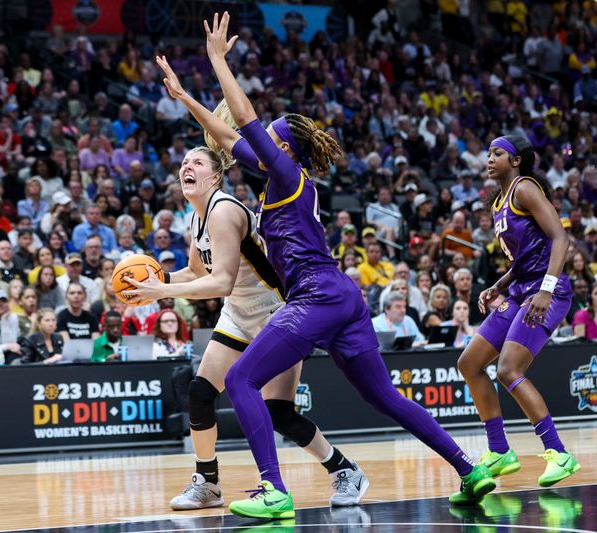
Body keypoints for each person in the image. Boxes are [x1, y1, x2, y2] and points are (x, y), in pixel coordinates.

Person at [149, 16, 493, 519]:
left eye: (266, 138)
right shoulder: (278, 179)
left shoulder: (288, 172)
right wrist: (185, 98)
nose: (255, 143)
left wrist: (219, 61)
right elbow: (227, 138)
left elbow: (242, 119)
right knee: (385, 398)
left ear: (283, 147)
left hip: (315, 295)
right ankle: (470, 468)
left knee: (242, 381)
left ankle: (274, 490)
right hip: (341, 297)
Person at [124, 133, 368, 507]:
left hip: (277, 311)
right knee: (200, 393)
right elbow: (194, 272)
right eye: (184, 162)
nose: (187, 166)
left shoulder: (224, 210)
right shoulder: (198, 216)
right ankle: (208, 484)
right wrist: (155, 281)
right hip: (238, 313)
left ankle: (344, 469)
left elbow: (220, 280)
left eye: (197, 163)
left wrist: (161, 294)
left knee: (278, 413)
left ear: (217, 176)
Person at [458, 135, 581, 493]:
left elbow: (560, 238)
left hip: (547, 291)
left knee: (509, 368)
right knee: (469, 362)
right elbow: (524, 258)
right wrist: (498, 284)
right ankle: (499, 451)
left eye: (497, 153)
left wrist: (545, 288)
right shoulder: (498, 202)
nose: (489, 158)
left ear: (516, 160)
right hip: (520, 288)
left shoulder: (524, 188)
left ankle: (558, 452)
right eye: (489, 153)